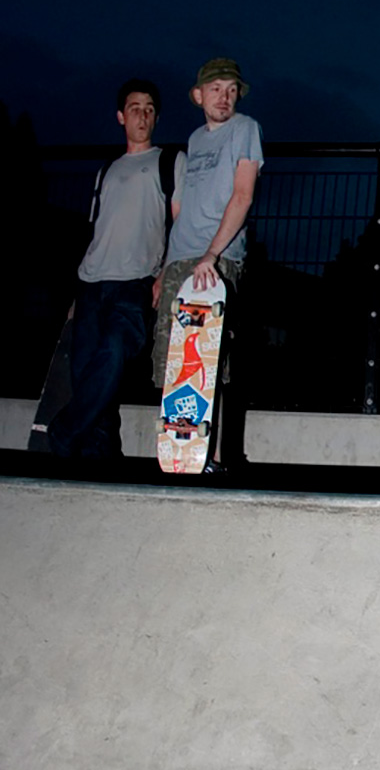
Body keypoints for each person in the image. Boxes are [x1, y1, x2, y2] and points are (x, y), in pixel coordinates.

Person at [48, 79, 184, 459]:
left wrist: (165, 274)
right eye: (135, 108)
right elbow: (96, 230)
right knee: (87, 372)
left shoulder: (169, 161)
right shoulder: (106, 170)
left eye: (150, 109)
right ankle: (101, 457)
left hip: (135, 283)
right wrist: (77, 293)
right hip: (91, 283)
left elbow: (182, 223)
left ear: (156, 118)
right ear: (121, 117)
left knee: (114, 351)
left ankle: (63, 432)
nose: (143, 114)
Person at [152, 57, 263, 473]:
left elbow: (242, 196)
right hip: (181, 260)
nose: (225, 97)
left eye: (232, 90)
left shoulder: (245, 130)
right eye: (216, 89)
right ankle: (178, 448)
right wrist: (165, 268)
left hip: (215, 261)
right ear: (198, 95)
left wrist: (212, 256)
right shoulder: (194, 141)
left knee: (208, 358)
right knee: (174, 360)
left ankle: (213, 456)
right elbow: (181, 214)